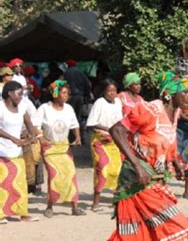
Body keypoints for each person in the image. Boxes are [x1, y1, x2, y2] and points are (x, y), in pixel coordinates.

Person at [96, 83, 188, 241]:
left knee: (157, 238)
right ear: (169, 92)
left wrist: (177, 164)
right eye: (184, 91)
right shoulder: (152, 109)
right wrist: (137, 166)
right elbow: (117, 130)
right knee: (176, 227)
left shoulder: (174, 117)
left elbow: (165, 147)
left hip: (156, 182)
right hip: (138, 184)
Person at [32, 80, 86, 218]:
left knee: (70, 173)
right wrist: (40, 137)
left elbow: (75, 125)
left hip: (64, 147)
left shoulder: (69, 109)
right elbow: (34, 125)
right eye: (63, 93)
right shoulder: (44, 108)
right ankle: (50, 206)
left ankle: (75, 206)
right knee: (54, 175)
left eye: (67, 93)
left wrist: (78, 137)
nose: (66, 96)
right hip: (49, 147)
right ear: (55, 94)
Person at [0, 81, 39, 223]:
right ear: (10, 93)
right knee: (3, 185)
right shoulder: (1, 107)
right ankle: (1, 214)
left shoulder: (22, 107)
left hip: (17, 152)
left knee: (20, 184)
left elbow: (29, 123)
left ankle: (23, 214)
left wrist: (33, 136)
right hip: (2, 152)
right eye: (19, 94)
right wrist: (11, 138)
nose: (21, 97)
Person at [86, 79, 123, 211]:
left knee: (116, 169)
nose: (112, 94)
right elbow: (91, 123)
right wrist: (107, 129)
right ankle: (95, 202)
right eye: (109, 91)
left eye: (114, 91)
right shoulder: (99, 103)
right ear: (104, 92)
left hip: (114, 141)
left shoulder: (118, 102)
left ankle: (116, 199)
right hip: (100, 141)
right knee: (102, 168)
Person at [63, 59, 92, 125]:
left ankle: (69, 131)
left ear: (68, 65)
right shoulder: (81, 72)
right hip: (80, 97)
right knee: (78, 116)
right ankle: (77, 131)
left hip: (71, 97)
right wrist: (88, 95)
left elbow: (61, 84)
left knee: (69, 114)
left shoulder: (66, 73)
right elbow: (88, 84)